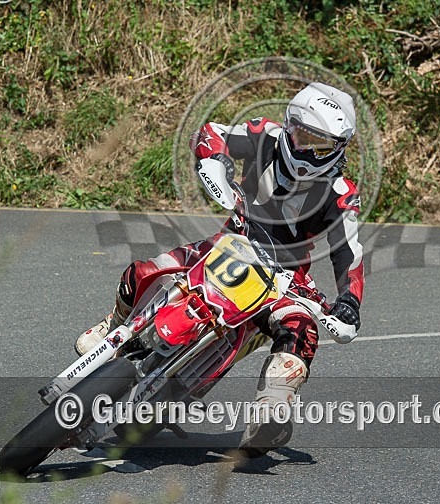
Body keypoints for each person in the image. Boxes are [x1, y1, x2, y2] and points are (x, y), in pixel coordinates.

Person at [75, 82, 365, 457]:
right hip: (229, 243)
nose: (303, 147)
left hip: (284, 277)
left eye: (317, 143)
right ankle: (113, 326)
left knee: (301, 329)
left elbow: (348, 254)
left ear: (337, 149)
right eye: (298, 132)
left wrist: (348, 303)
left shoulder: (341, 193)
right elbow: (213, 133)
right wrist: (214, 160)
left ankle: (271, 409)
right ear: (288, 123)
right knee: (144, 271)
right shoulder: (265, 135)